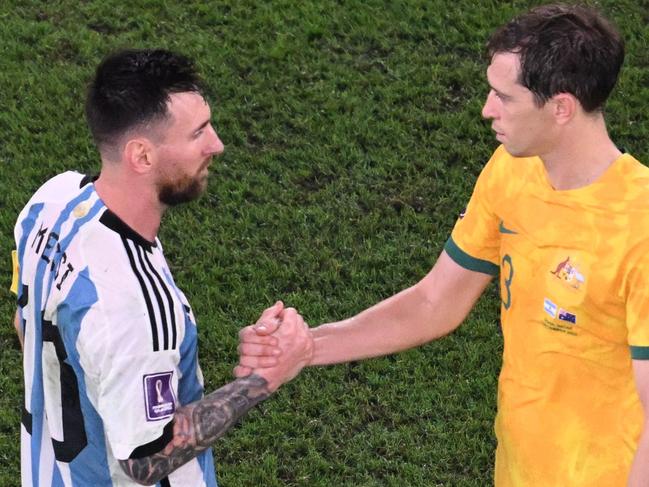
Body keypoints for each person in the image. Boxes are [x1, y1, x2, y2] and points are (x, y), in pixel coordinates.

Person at [237, 4, 649, 486]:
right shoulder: (512, 170)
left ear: (561, 107)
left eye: (505, 98)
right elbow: (436, 302)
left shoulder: (638, 226)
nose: (487, 110)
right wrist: (306, 349)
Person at [11, 49, 312, 486]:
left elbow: (26, 324)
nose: (217, 145)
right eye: (198, 133)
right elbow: (145, 462)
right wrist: (264, 379)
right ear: (143, 156)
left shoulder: (50, 203)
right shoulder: (135, 308)